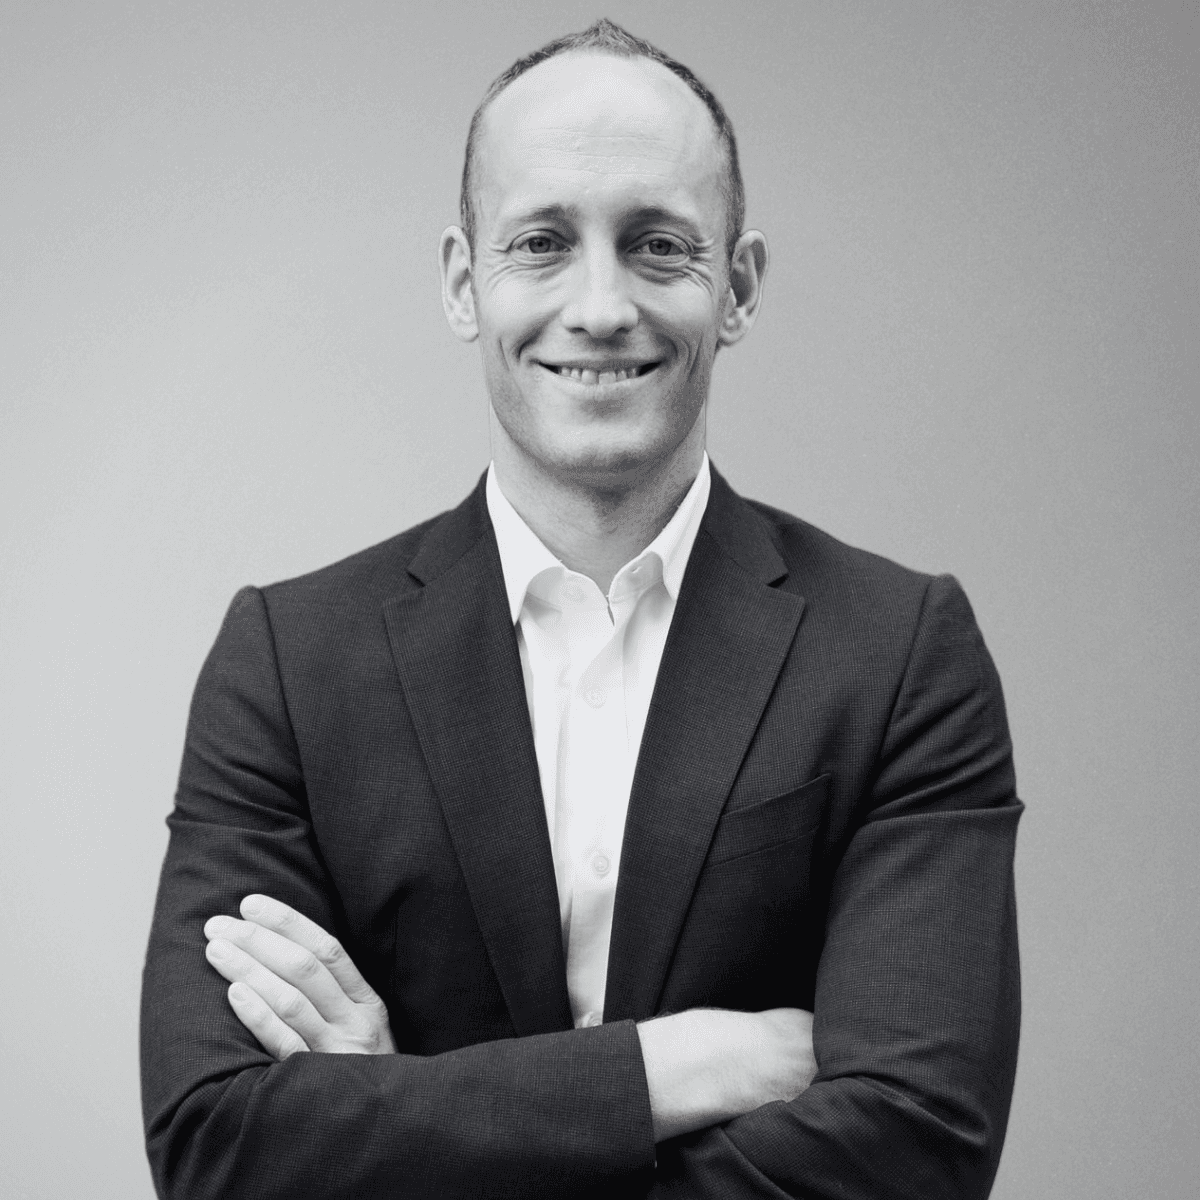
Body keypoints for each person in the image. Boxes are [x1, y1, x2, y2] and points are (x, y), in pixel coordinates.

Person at [141, 19, 1022, 1200]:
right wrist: (666, 1069)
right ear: (465, 283)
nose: (600, 306)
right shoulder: (288, 665)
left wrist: (403, 1115)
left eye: (657, 245)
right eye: (542, 243)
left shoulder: (900, 653)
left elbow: (917, 1150)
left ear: (738, 287)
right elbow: (216, 1147)